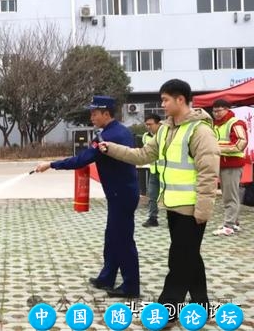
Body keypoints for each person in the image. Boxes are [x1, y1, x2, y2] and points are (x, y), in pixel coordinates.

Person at [98, 80, 219, 322]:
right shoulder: (164, 130)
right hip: (173, 205)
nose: (162, 104)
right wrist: (110, 148)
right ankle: (201, 306)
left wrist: (203, 210)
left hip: (192, 208)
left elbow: (208, 172)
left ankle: (166, 310)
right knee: (190, 256)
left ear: (180, 100)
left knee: (179, 259)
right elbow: (142, 155)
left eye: (165, 100)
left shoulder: (200, 131)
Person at [35, 95, 140, 298]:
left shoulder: (111, 136)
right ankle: (107, 277)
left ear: (106, 113)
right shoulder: (115, 131)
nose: (91, 116)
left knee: (123, 240)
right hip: (120, 193)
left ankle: (131, 286)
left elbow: (82, 159)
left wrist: (51, 164)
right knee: (112, 237)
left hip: (122, 195)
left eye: (94, 113)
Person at [211, 98, 248, 236]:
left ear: (227, 109)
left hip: (232, 164)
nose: (216, 114)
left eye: (219, 110)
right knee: (230, 194)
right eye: (214, 111)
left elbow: (240, 143)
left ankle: (229, 225)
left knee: (230, 196)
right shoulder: (217, 125)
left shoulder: (236, 123)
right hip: (223, 163)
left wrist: (215, 148)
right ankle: (234, 222)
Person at [142, 113, 162, 227]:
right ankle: (152, 218)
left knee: (168, 196)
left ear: (158, 124)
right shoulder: (146, 136)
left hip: (167, 171)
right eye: (146, 124)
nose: (149, 127)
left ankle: (173, 218)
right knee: (152, 195)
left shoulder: (165, 135)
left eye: (151, 124)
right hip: (154, 171)